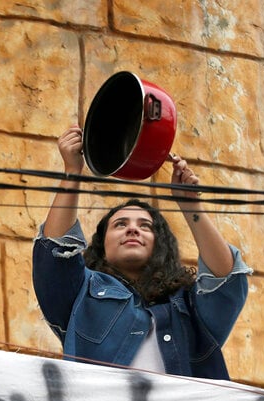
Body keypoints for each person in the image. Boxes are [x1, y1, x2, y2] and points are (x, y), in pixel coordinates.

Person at [31, 125, 251, 379]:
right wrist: (73, 172)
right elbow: (55, 252)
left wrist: (191, 205)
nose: (132, 230)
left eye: (144, 226)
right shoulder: (81, 295)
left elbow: (226, 281)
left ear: (160, 246)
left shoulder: (189, 305)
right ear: (103, 245)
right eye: (120, 224)